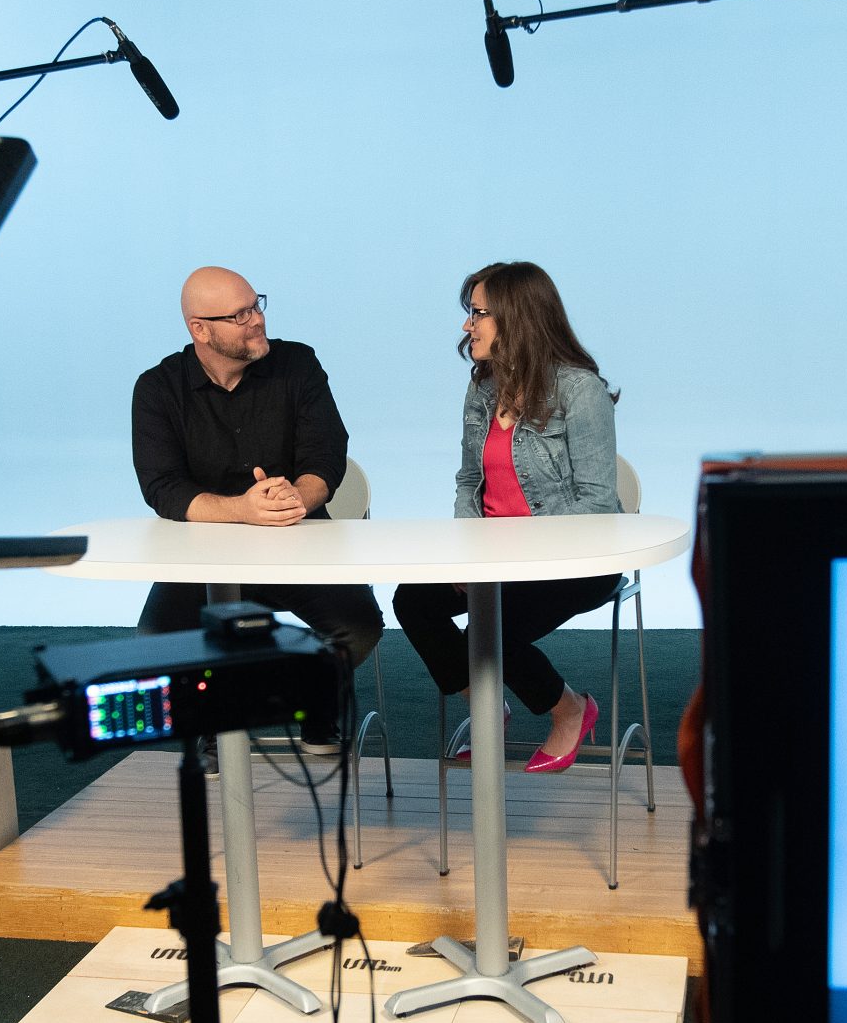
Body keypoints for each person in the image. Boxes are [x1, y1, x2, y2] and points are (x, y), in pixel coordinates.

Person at [129, 267, 382, 741]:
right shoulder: (157, 388)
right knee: (155, 646)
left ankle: (312, 706)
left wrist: (295, 499)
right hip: (204, 556)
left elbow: (327, 454)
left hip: (299, 541)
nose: (257, 320)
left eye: (257, 305)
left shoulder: (298, 363)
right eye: (240, 314)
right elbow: (162, 487)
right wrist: (242, 510)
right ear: (199, 329)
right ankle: (218, 722)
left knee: (360, 627)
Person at [390, 261, 619, 772]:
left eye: (478, 313)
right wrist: (469, 556)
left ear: (517, 317)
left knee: (489, 633)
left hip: (574, 562)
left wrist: (509, 561)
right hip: (495, 561)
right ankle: (488, 709)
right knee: (413, 601)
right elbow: (471, 481)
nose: (468, 325)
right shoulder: (483, 389)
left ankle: (572, 711)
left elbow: (599, 506)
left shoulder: (580, 391)